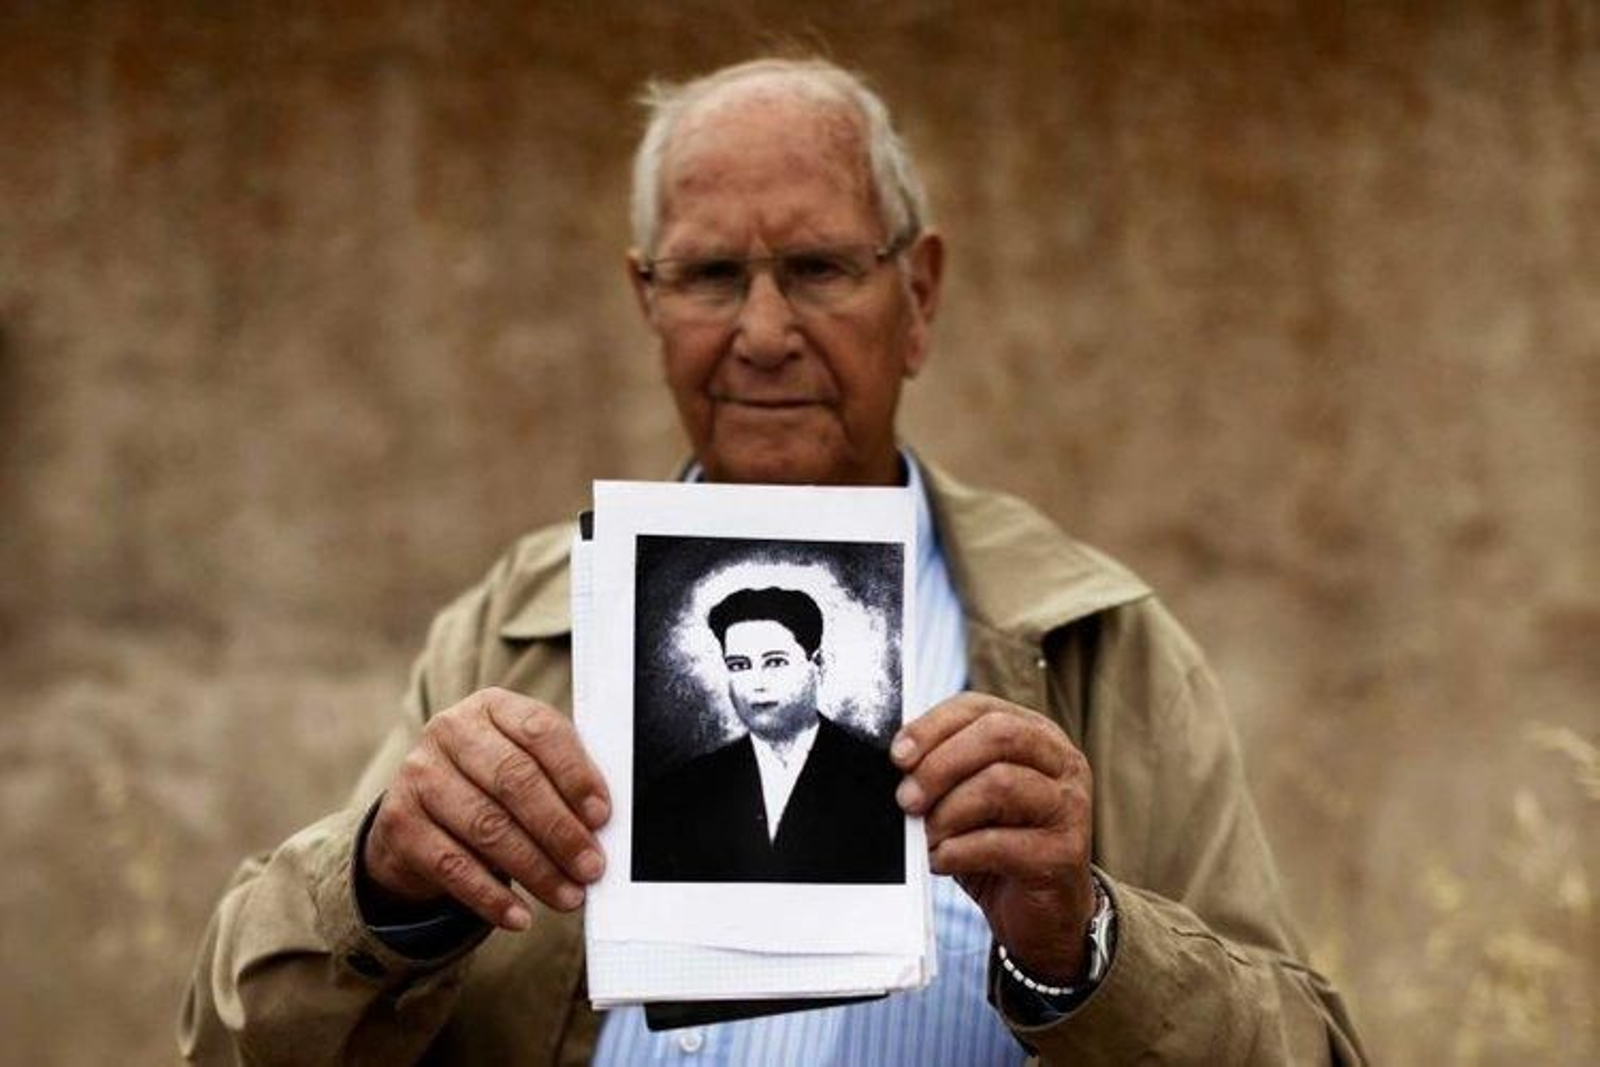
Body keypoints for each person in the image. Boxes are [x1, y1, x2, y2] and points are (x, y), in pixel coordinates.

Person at [180, 56, 1367, 1064]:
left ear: (920, 295)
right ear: (645, 302)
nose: (759, 333)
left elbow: (1309, 1044)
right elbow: (236, 1035)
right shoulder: (520, 628)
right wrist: (384, 881)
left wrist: (1088, 944)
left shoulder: (1091, 638)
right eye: (706, 277)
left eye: (816, 268)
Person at [633, 586, 904, 884]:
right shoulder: (681, 791)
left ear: (818, 666)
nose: (756, 683)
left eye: (775, 662)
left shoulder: (880, 779)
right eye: (739, 665)